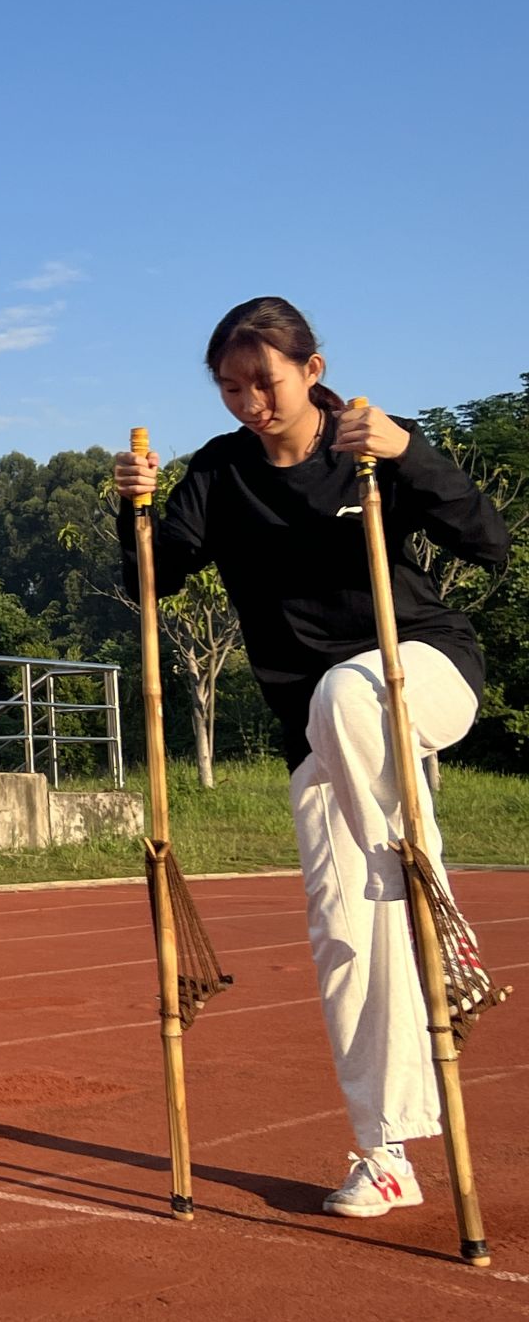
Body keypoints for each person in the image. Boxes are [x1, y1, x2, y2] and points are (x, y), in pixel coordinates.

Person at [114, 295, 510, 1218]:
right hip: (321, 739)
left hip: (421, 674)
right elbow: (147, 582)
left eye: (265, 380)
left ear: (313, 371)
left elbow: (487, 541)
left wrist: (410, 452)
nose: (249, 401)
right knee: (345, 933)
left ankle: (427, 886)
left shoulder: (366, 448)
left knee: (347, 692)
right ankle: (385, 1150)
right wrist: (129, 509)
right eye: (229, 387)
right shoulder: (220, 475)